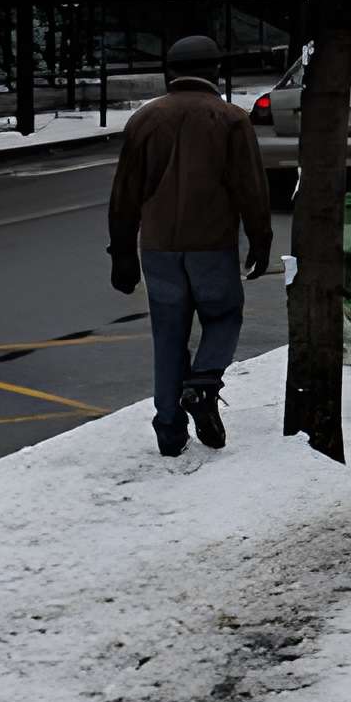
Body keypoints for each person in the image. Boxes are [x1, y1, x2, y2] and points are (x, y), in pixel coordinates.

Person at [107, 34, 271, 458]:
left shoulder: (145, 119)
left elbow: (124, 195)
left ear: (170, 72)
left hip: (158, 247)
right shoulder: (231, 119)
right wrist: (260, 239)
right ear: (215, 70)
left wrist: (123, 253)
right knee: (224, 316)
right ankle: (203, 383)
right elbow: (251, 189)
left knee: (168, 333)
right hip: (212, 243)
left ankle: (169, 430)